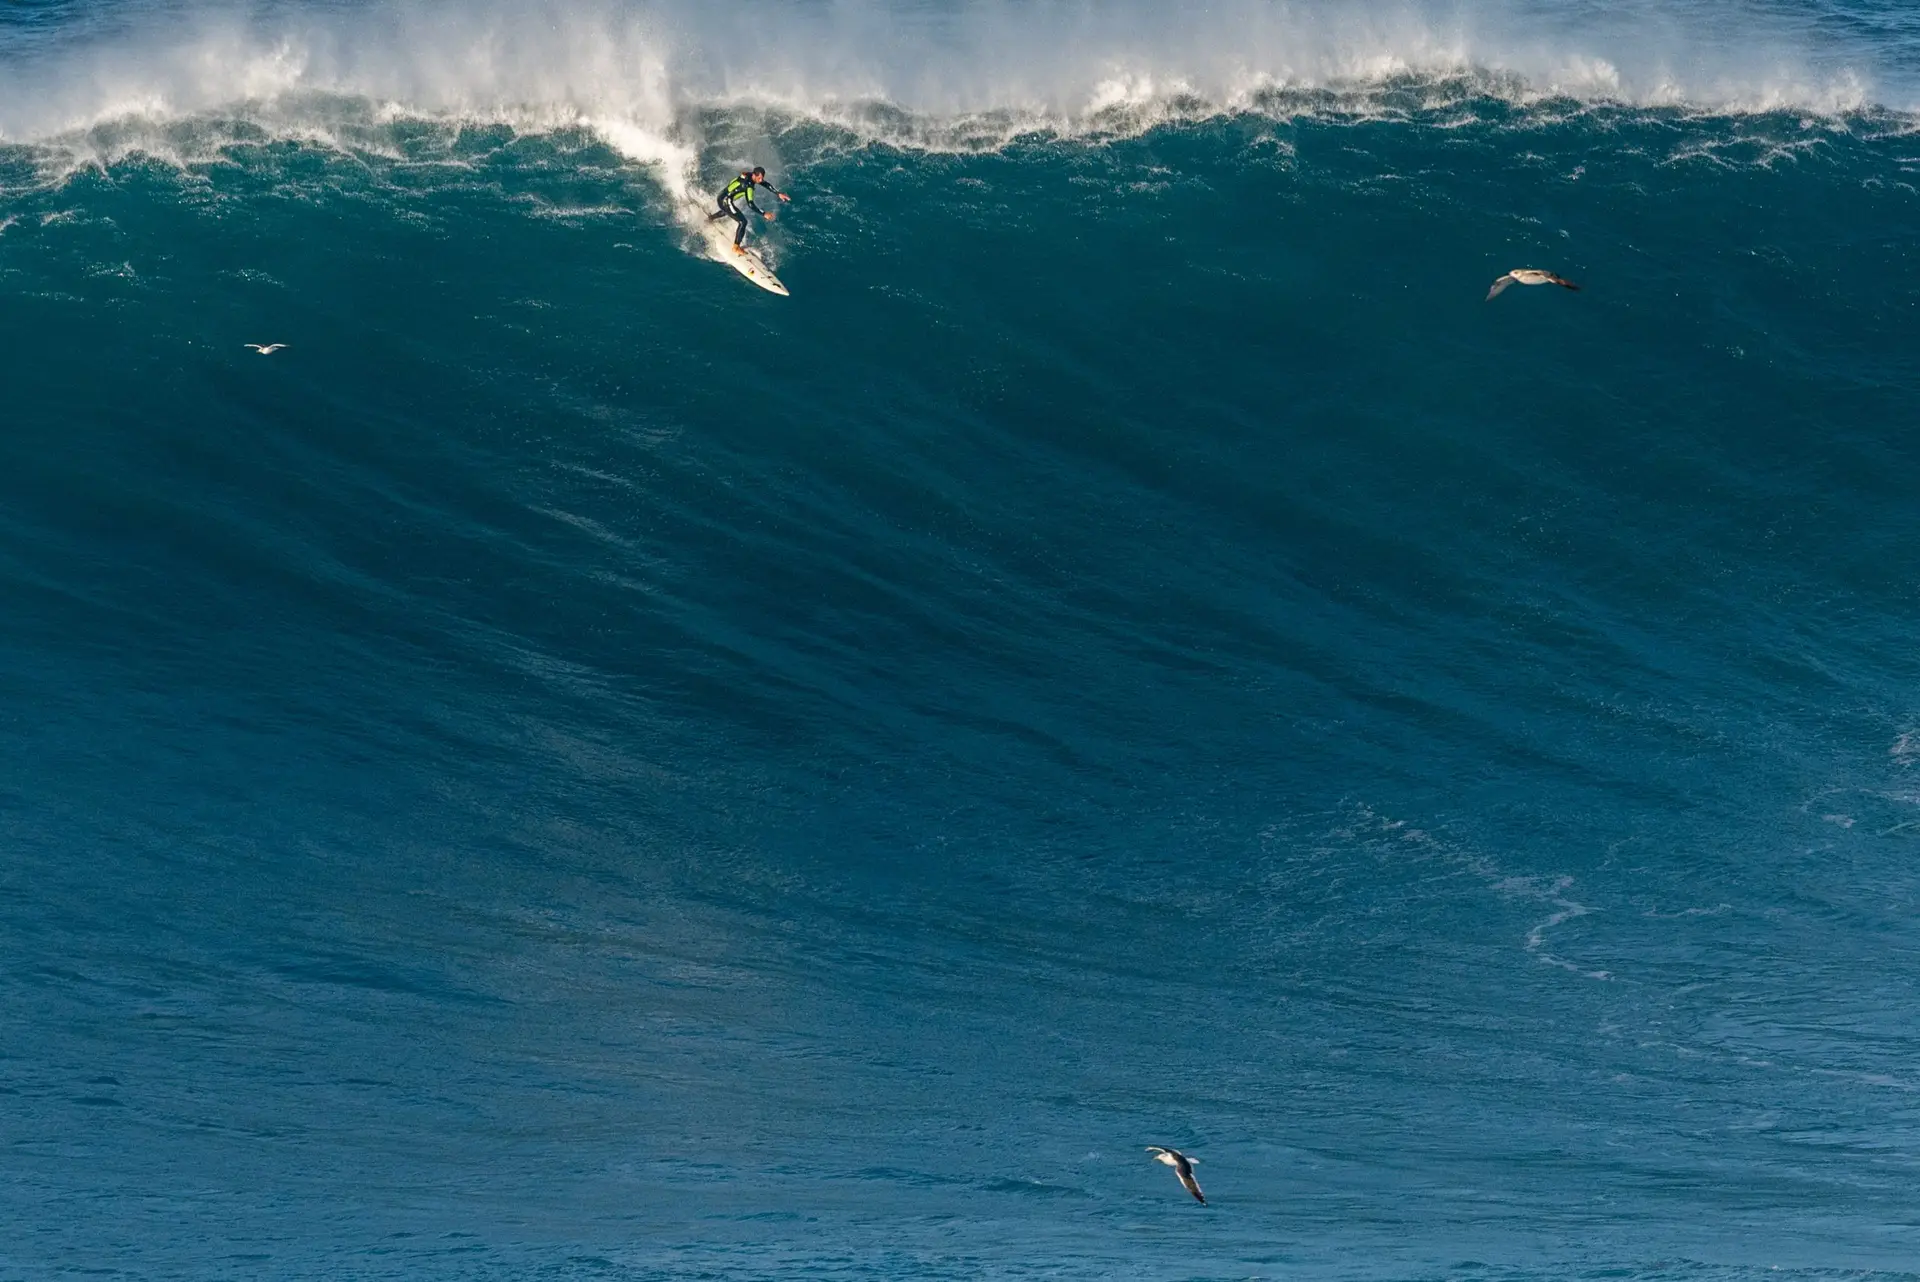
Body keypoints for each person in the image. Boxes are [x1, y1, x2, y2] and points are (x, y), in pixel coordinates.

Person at [708, 166, 791, 253]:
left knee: (728, 211)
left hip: (721, 196)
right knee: (743, 222)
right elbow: (750, 204)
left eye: (762, 178)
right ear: (754, 175)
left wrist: (778, 193)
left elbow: (765, 184)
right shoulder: (748, 187)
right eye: (759, 178)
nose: (760, 180)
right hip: (725, 200)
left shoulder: (749, 175)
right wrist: (764, 214)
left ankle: (710, 218)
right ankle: (736, 247)